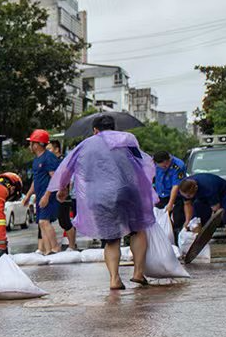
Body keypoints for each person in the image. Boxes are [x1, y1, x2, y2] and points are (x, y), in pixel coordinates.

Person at [43, 114, 156, 290]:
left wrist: (63, 188)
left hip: (99, 196)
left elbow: (66, 168)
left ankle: (114, 279)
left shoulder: (85, 145)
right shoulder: (127, 138)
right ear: (114, 127)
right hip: (127, 191)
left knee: (111, 239)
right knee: (137, 230)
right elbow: (139, 164)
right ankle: (138, 273)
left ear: (95, 130)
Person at [179, 174, 226, 258]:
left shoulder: (208, 187)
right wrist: (188, 221)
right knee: (195, 221)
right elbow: (187, 204)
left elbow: (216, 209)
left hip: (224, 194)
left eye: (188, 196)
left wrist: (209, 226)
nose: (187, 197)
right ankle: (196, 249)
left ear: (195, 189)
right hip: (202, 198)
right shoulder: (184, 187)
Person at [22, 129, 62, 255]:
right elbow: (36, 180)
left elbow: (54, 177)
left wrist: (47, 195)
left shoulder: (48, 158)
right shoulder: (36, 160)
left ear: (38, 144)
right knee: (42, 223)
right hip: (40, 196)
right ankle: (47, 250)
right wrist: (28, 196)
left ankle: (55, 248)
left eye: (32, 143)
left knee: (44, 222)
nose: (30, 146)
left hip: (48, 196)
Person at [50, 141, 79, 251]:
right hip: (57, 194)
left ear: (56, 149)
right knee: (62, 220)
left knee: (64, 220)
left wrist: (65, 190)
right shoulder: (53, 161)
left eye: (50, 149)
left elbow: (67, 177)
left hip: (64, 194)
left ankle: (72, 245)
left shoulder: (62, 161)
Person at [152, 150, 187, 241]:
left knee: (177, 219)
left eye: (168, 164)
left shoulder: (178, 165)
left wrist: (171, 204)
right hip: (160, 195)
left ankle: (176, 242)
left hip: (176, 196)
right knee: (159, 220)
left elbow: (176, 186)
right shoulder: (153, 164)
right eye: (163, 166)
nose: (166, 166)